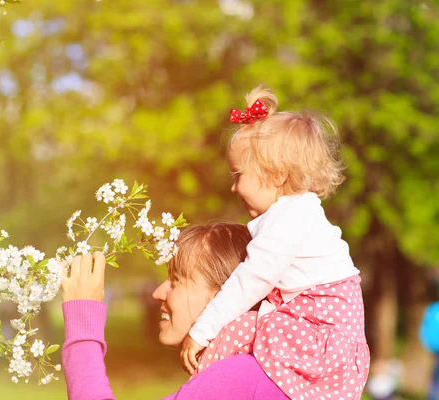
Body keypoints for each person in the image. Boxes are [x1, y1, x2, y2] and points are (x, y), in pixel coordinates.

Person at [181, 86, 370, 399]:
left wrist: (201, 332)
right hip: (318, 330)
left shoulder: (290, 216)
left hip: (320, 334)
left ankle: (199, 390)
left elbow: (252, 279)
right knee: (239, 331)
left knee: (234, 331)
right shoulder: (295, 214)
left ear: (278, 174)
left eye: (238, 175)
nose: (232, 188)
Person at [61, 223, 289, 399]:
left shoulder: (241, 375)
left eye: (177, 280)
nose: (158, 292)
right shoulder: (260, 371)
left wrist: (82, 323)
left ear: (227, 293)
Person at [421, 301, 439, 400]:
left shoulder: (432, 308)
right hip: (435, 347)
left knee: (435, 376)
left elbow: (424, 328)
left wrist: (426, 343)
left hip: (434, 348)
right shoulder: (433, 308)